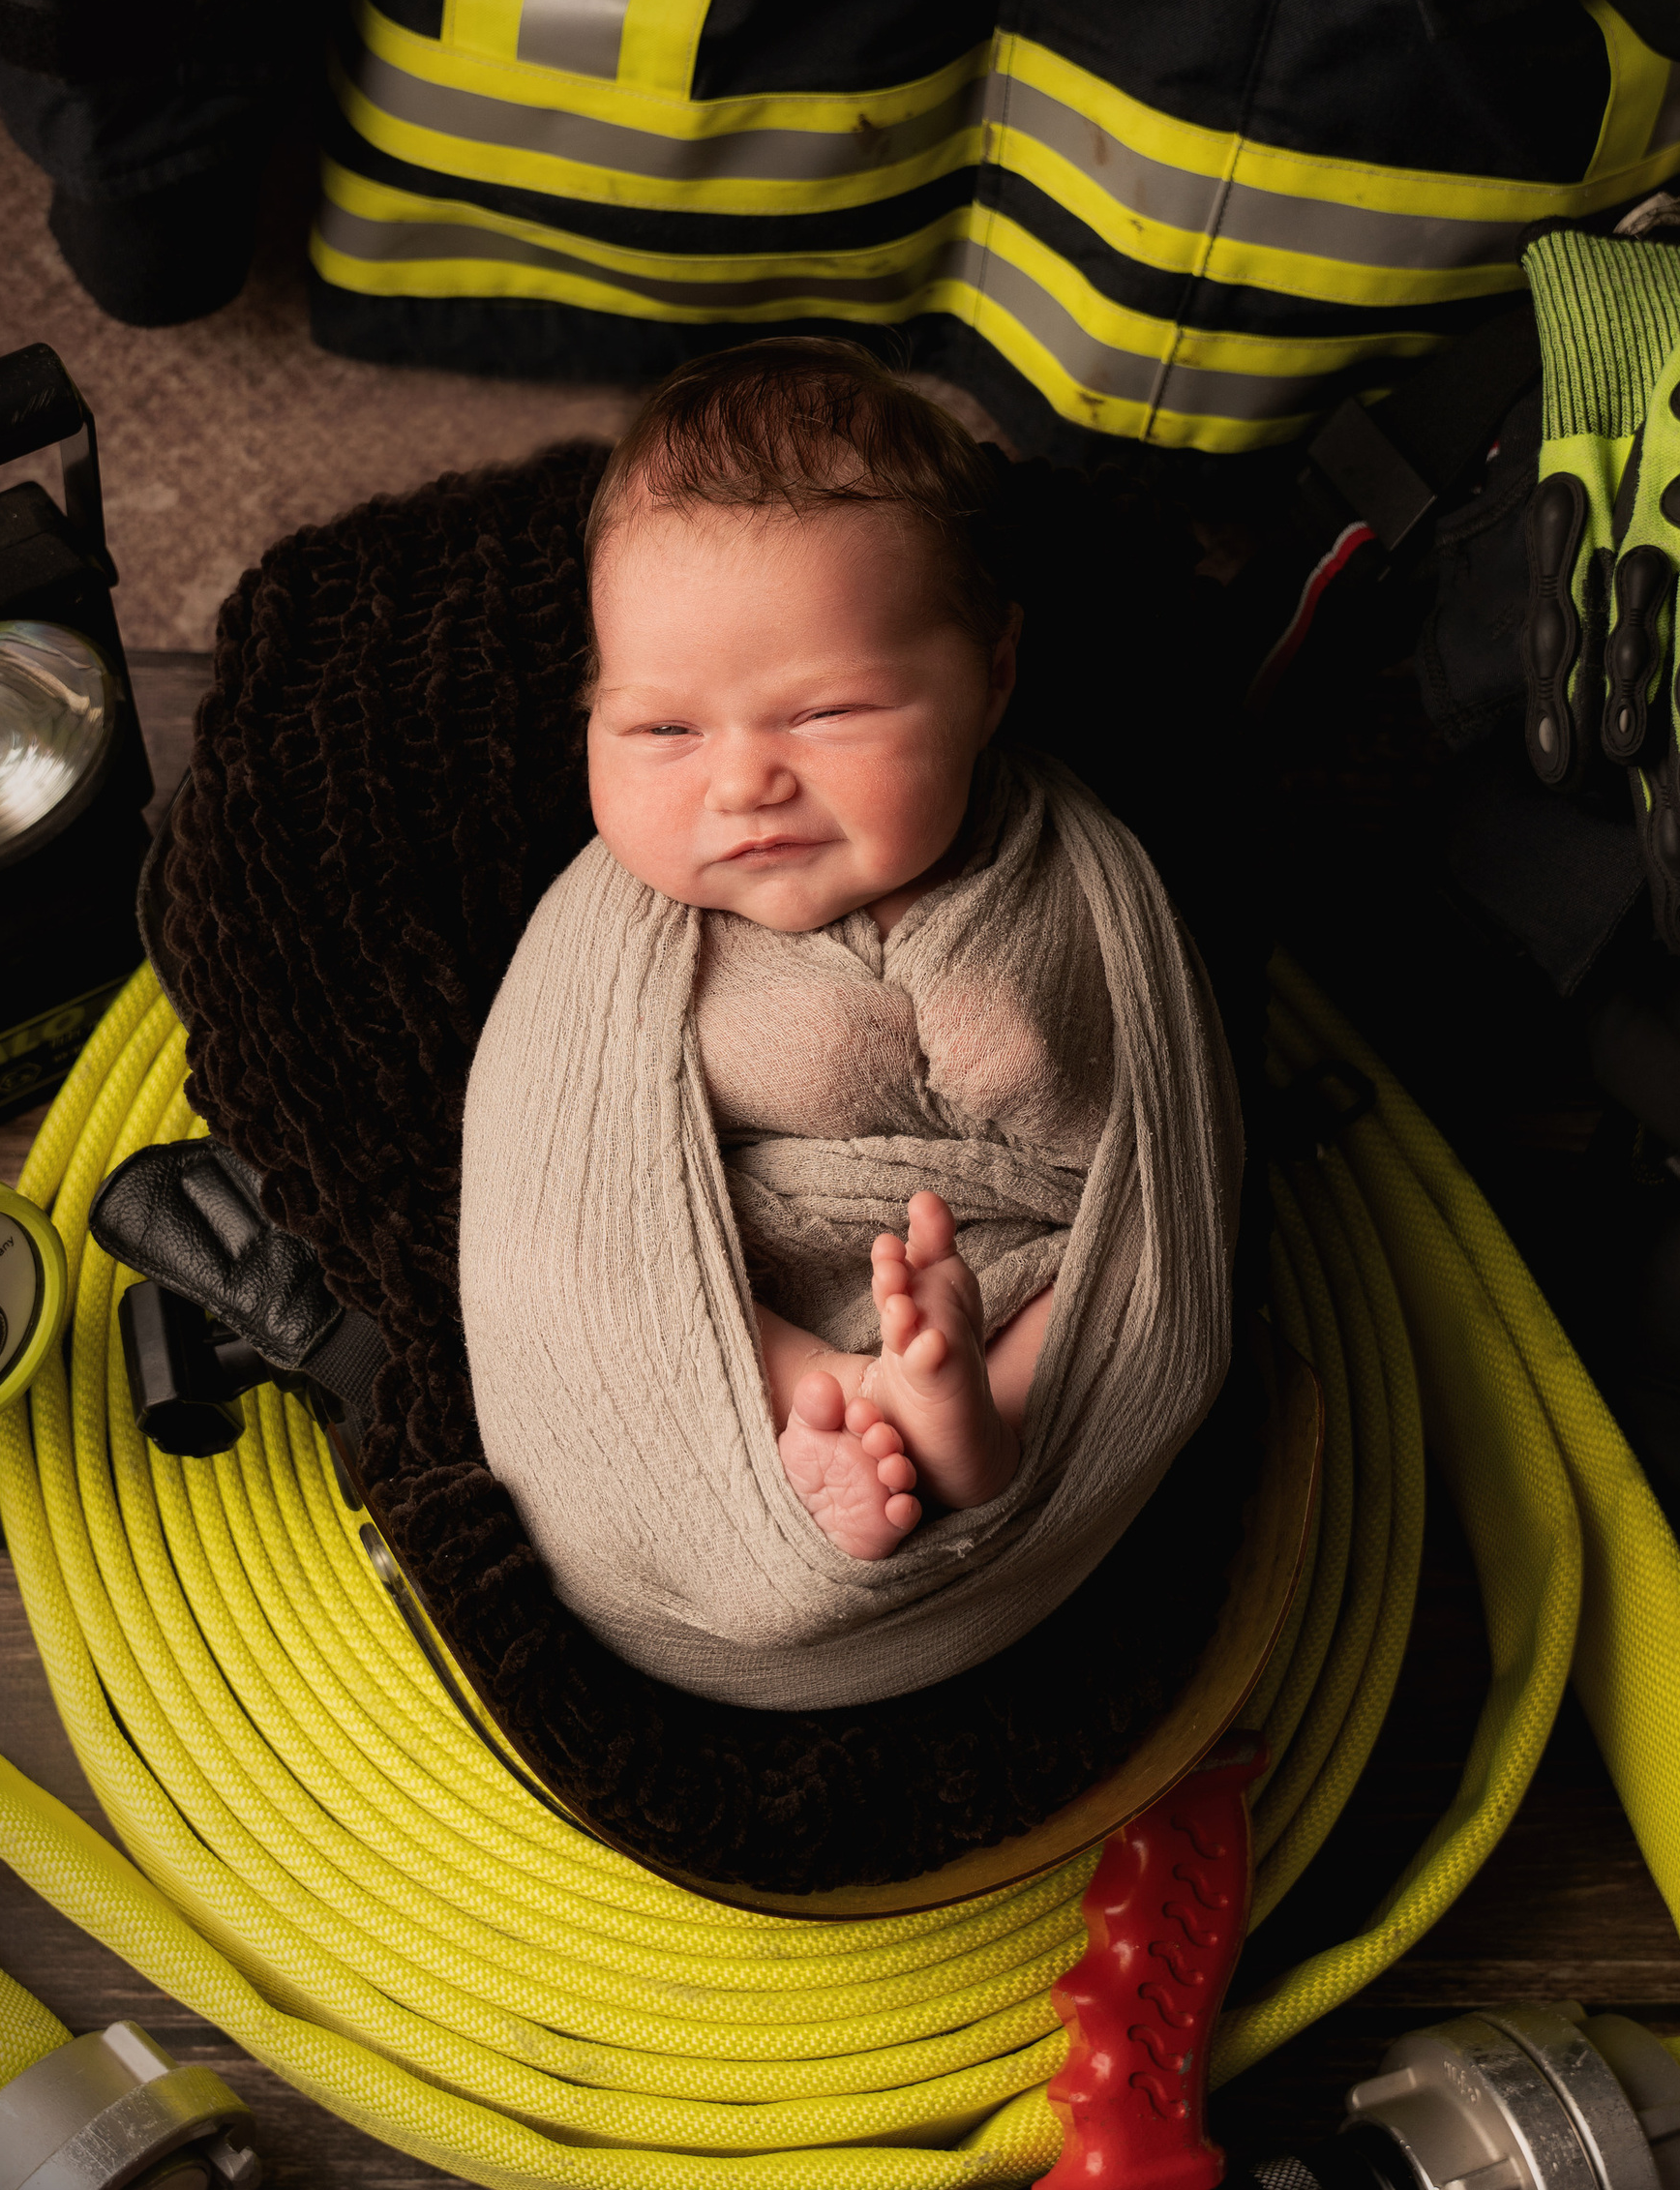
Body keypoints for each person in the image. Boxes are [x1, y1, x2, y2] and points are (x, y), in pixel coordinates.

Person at [455, 337, 1243, 1707]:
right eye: (659, 732)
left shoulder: (1066, 871)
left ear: (993, 674)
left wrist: (1002, 1032)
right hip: (723, 1286)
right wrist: (789, 1357)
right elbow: (551, 1190)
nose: (744, 781)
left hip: (1007, 1272)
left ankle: (972, 1424)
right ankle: (811, 1411)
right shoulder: (614, 930)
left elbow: (1152, 1151)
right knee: (580, 1269)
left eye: (827, 713)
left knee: (1121, 1281)